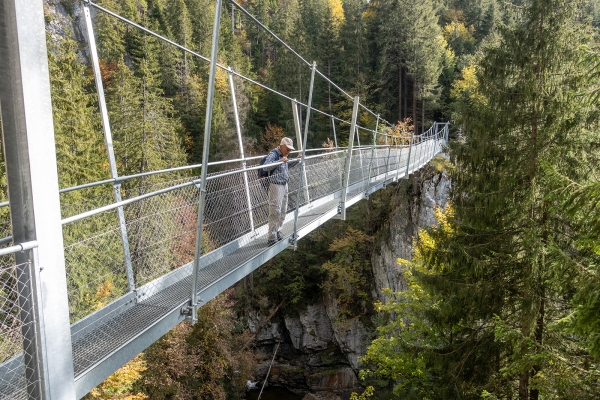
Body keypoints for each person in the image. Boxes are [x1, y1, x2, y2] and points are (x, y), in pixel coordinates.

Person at [262, 137, 302, 246]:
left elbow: (285, 166)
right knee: (275, 211)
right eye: (287, 149)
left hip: (284, 184)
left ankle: (278, 231)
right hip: (275, 185)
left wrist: (296, 160)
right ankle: (272, 237)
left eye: (290, 150)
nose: (289, 151)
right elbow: (265, 167)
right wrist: (280, 161)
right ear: (281, 146)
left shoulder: (285, 155)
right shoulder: (273, 154)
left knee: (283, 211)